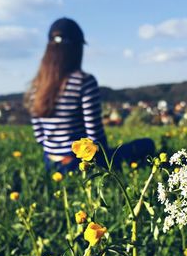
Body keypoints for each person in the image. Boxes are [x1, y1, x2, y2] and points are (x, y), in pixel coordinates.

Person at [25, 17, 155, 173]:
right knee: (147, 144)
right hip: (82, 164)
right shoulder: (84, 82)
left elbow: (39, 137)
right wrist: (106, 160)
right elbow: (96, 137)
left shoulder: (36, 87)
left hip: (50, 164)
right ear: (77, 49)